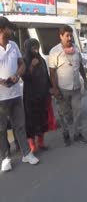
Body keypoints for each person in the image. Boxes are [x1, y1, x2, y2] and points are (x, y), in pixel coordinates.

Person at [0, 16, 39, 172]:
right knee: (1, 129)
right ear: (2, 29)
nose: (12, 31)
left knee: (20, 126)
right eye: (9, 28)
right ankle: (5, 158)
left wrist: (16, 75)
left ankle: (27, 153)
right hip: (0, 98)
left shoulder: (14, 45)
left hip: (15, 94)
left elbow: (21, 64)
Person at [48, 25, 87, 147]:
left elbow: (80, 66)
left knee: (78, 113)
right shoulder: (54, 52)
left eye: (71, 35)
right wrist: (55, 89)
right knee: (65, 114)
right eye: (67, 36)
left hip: (76, 88)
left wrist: (85, 80)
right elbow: (52, 72)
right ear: (61, 36)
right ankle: (65, 134)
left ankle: (77, 134)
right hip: (62, 89)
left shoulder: (75, 49)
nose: (70, 38)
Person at [22, 39, 52, 152]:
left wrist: (50, 88)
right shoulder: (24, 60)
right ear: (28, 48)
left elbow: (46, 74)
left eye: (37, 46)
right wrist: (31, 67)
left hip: (42, 95)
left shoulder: (41, 59)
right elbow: (24, 77)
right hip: (30, 97)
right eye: (33, 47)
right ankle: (32, 146)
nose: (36, 49)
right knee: (31, 121)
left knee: (42, 119)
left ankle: (41, 143)